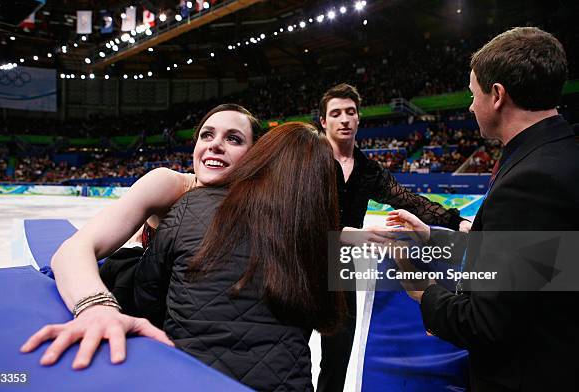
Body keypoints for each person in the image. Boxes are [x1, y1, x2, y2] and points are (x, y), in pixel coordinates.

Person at [387, 27, 579, 391]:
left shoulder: (532, 181)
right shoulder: (558, 154)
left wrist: (423, 290)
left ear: (497, 95)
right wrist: (434, 236)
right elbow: (540, 265)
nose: (470, 106)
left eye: (472, 94)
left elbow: (485, 323)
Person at [21, 104, 262, 369]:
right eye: (207, 135)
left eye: (233, 138)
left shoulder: (265, 203)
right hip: (143, 302)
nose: (215, 145)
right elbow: (74, 249)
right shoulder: (169, 184)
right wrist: (97, 308)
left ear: (256, 154)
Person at [132, 122, 346, 390]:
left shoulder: (191, 204)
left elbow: (146, 294)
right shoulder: (320, 240)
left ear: (261, 156)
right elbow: (327, 319)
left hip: (189, 376)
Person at [317, 83, 471, 392]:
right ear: (323, 122)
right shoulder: (307, 162)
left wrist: (456, 221)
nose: (344, 119)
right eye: (336, 114)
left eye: (350, 112)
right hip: (300, 262)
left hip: (340, 269)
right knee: (290, 347)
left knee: (337, 357)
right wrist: (345, 234)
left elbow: (407, 200)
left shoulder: (367, 170)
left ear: (359, 119)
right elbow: (294, 216)